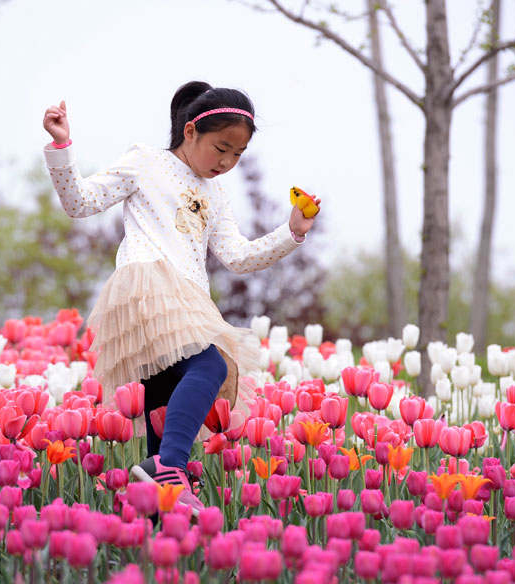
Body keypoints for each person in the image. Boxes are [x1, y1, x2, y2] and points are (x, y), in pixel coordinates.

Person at [42, 81, 320, 513]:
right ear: (190, 131)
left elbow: (238, 257)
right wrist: (62, 147)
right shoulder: (146, 162)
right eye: (220, 148)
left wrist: (292, 234)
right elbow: (80, 203)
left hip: (189, 301)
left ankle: (159, 515)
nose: (226, 162)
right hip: (147, 286)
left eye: (237, 155)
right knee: (210, 363)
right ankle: (171, 466)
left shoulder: (216, 194)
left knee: (163, 411)